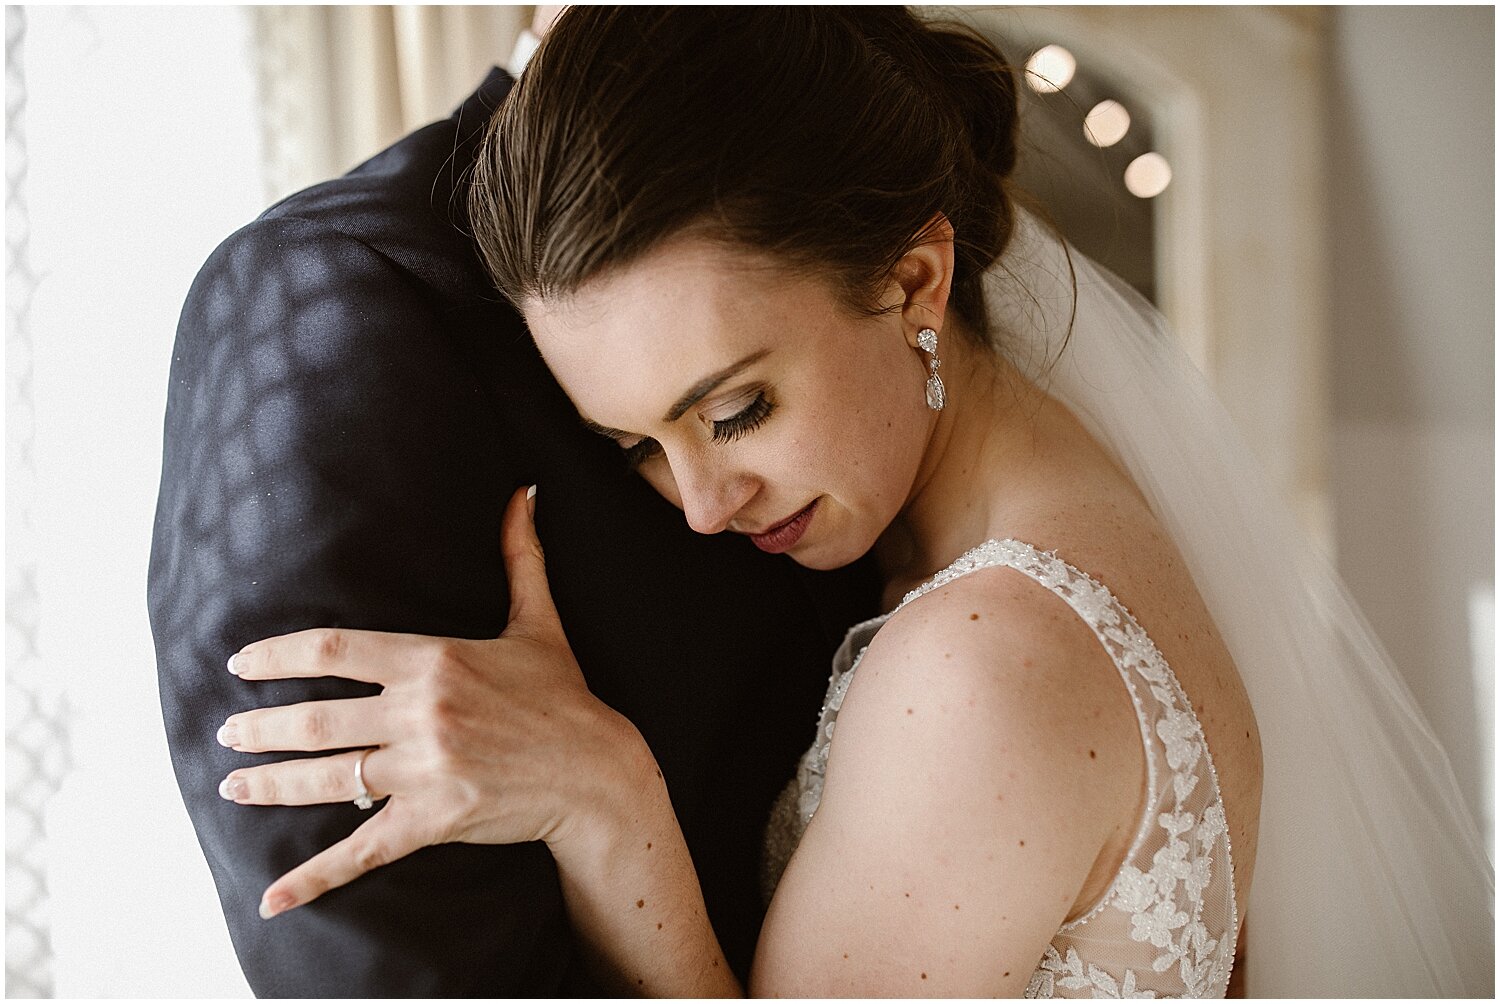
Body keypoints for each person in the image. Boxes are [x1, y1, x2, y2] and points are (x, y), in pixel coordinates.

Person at [207, 7, 1494, 997]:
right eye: (638, 444)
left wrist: (607, 801)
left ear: (915, 279)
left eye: (736, 409)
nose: (702, 504)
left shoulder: (984, 665)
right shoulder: (1060, 506)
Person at [147, 11, 878, 997]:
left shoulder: (852, 192)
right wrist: (607, 802)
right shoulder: (335, 295)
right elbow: (391, 963)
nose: (707, 504)